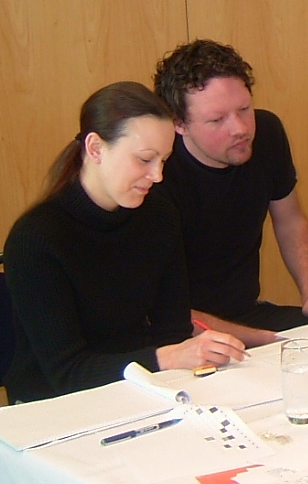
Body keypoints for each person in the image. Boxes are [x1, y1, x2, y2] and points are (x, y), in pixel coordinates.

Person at [2, 82, 246, 402]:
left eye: (164, 160)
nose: (157, 176)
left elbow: (171, 330)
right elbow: (67, 374)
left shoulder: (158, 216)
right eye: (145, 160)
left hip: (136, 388)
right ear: (95, 149)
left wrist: (186, 356)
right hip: (55, 406)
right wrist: (168, 358)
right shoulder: (37, 238)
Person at [153, 39, 308, 346]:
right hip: (181, 334)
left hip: (246, 315)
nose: (240, 128)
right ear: (179, 124)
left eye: (244, 109)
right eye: (217, 120)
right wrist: (269, 341)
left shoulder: (267, 133)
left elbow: (290, 220)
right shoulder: (157, 173)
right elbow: (166, 315)